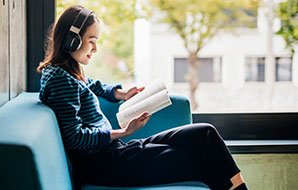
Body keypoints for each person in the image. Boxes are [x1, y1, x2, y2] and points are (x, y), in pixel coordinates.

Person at [37, 5, 247, 190]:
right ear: (71, 40)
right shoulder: (60, 80)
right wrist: (123, 132)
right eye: (91, 41)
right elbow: (75, 137)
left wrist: (121, 93)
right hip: (108, 165)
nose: (95, 49)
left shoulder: (67, 72)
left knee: (205, 134)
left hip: (118, 154)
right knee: (203, 159)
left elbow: (91, 85)